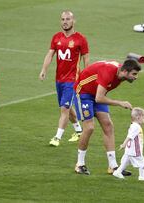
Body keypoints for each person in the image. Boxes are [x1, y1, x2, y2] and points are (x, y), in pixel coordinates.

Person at [73, 59, 141, 175]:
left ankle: (113, 166)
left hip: (97, 93)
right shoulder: (108, 72)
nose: (136, 77)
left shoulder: (121, 74)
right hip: (83, 93)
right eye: (134, 74)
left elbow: (99, 95)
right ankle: (79, 164)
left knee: (108, 126)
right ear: (125, 71)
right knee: (89, 128)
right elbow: (99, 98)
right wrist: (120, 103)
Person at [39, 10, 89, 147]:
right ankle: (79, 130)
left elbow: (86, 59)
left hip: (72, 79)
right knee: (66, 106)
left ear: (74, 21)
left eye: (68, 19)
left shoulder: (80, 39)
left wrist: (86, 77)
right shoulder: (56, 37)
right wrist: (44, 70)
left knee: (65, 108)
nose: (65, 22)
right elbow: (50, 54)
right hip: (59, 79)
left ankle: (57, 137)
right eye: (62, 19)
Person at [112, 107, 144, 181]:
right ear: (138, 117)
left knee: (125, 162)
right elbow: (130, 137)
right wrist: (124, 144)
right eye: (143, 117)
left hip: (129, 150)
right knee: (142, 163)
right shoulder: (136, 127)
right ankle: (142, 176)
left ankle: (117, 172)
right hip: (135, 150)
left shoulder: (133, 125)